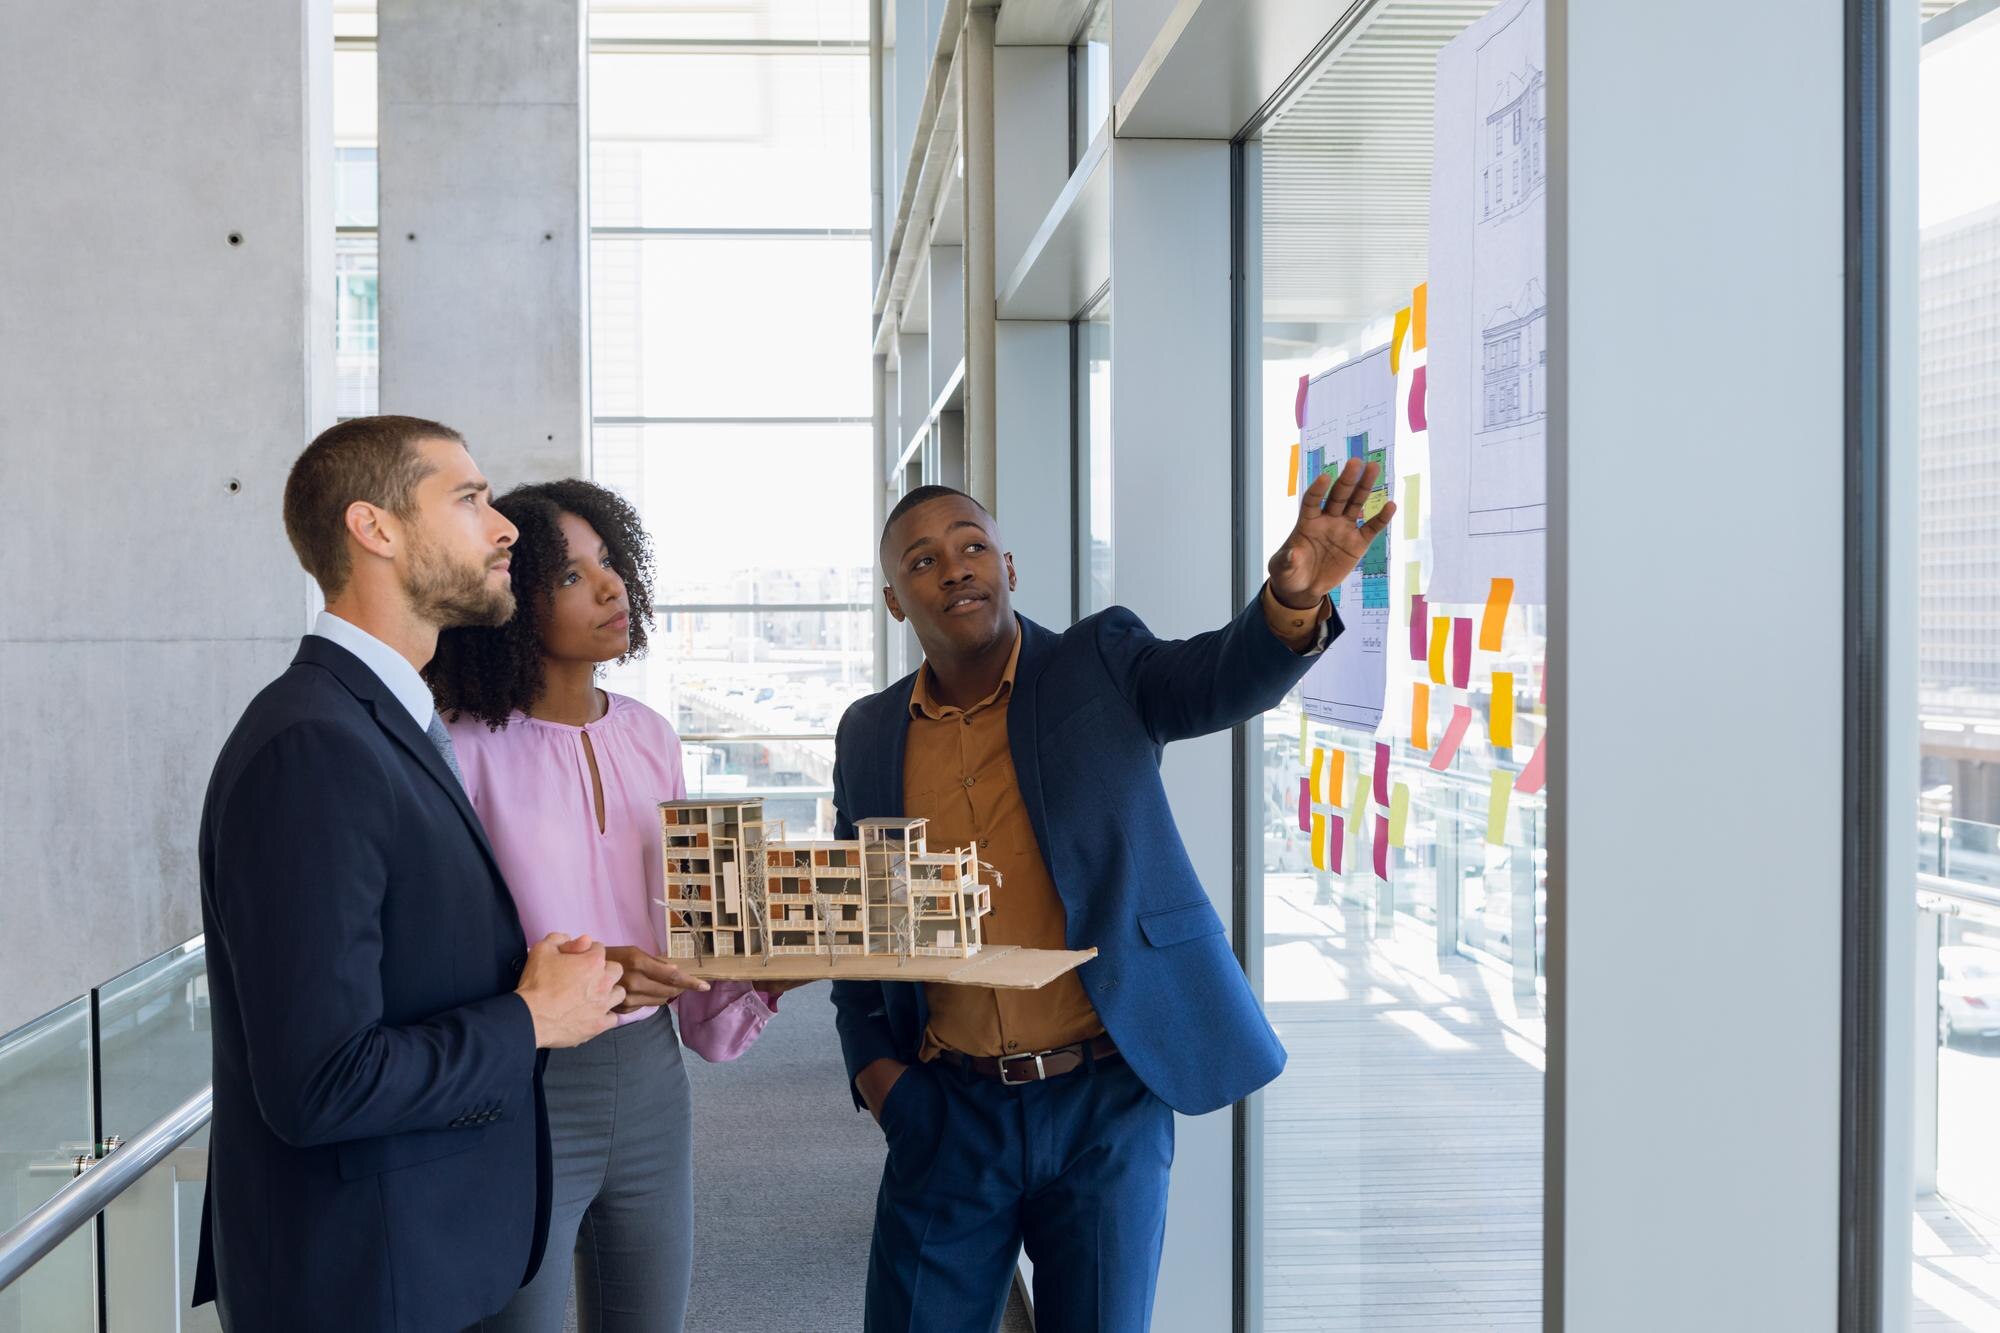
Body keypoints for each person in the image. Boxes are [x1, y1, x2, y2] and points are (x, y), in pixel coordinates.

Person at [830, 463, 1393, 1332]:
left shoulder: (1096, 663)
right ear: (895, 602)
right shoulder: (869, 731)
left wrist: (1289, 603)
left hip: (1105, 1100)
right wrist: (881, 1078)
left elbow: (1215, 679)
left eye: (972, 546)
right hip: (947, 1104)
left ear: (1009, 566)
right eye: (922, 561)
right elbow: (855, 915)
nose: (954, 569)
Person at [195, 417, 628, 1332]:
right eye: (469, 499)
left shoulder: (384, 723)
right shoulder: (313, 744)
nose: (505, 528)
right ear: (375, 528)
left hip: (416, 1256)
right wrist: (532, 1017)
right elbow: (322, 1080)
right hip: (365, 1280)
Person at [426, 478, 794, 1333]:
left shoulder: (652, 735)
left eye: (609, 561)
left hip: (653, 1079)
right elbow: (439, 953)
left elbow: (686, 931)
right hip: (521, 1084)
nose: (609, 586)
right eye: (569, 575)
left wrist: (770, 968)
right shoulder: (459, 748)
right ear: (512, 596)